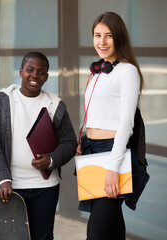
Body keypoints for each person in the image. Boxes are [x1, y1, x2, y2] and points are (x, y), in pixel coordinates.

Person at [0, 51, 77, 240]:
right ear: (20, 72)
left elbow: (69, 142)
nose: (35, 75)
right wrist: (3, 179)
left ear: (47, 77)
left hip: (46, 187)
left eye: (41, 72)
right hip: (12, 188)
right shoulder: (3, 101)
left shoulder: (54, 105)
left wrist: (52, 160)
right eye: (30, 70)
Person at [77, 12, 147, 240]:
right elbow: (96, 112)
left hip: (112, 154)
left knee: (95, 231)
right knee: (113, 229)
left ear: (119, 38)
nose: (102, 42)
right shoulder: (97, 71)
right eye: (97, 35)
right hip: (92, 152)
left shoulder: (127, 72)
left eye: (108, 36)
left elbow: (126, 125)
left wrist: (113, 168)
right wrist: (83, 140)